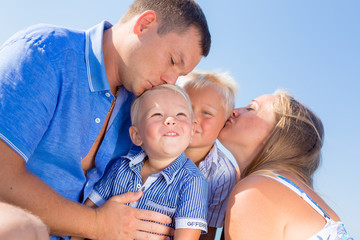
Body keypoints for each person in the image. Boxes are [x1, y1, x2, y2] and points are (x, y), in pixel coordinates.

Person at [0, 0, 211, 239]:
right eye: (173, 60)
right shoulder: (44, 53)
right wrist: (96, 223)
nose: (170, 80)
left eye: (180, 75)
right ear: (144, 24)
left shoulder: (143, 108)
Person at [72, 84, 208, 240]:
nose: (170, 120)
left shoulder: (193, 181)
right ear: (136, 135)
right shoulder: (120, 167)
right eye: (157, 114)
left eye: (180, 114)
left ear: (192, 131)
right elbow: (87, 217)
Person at [218, 91, 353, 239]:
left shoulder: (257, 191)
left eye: (251, 108)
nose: (234, 112)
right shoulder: (291, 191)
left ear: (276, 134)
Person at [178, 70, 238, 240]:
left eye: (206, 113)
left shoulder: (224, 174)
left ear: (225, 122)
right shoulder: (153, 144)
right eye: (186, 107)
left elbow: (207, 233)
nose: (193, 118)